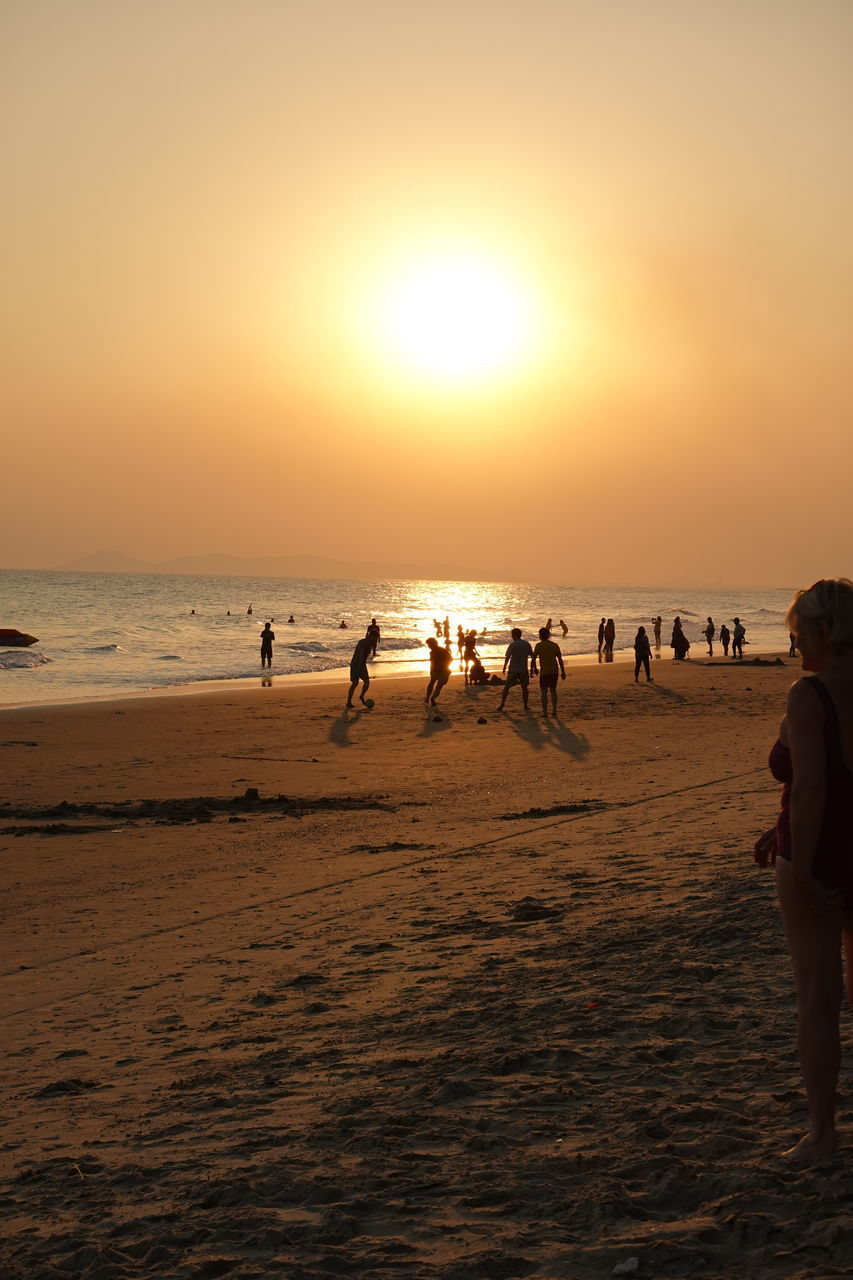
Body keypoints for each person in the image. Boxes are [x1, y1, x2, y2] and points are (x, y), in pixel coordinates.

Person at [754, 578, 853, 1160]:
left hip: (818, 856)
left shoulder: (810, 694)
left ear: (821, 629)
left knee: (819, 1000)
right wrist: (780, 820)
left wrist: (809, 869)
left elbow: (813, 790)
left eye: (797, 633)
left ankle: (821, 1134)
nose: (796, 646)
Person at [531, 626, 566, 717]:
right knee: (553, 691)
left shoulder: (539, 645)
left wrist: (533, 669)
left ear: (540, 636)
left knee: (543, 692)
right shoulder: (554, 645)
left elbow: (533, 659)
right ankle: (554, 711)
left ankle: (545, 712)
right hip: (554, 671)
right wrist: (563, 672)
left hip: (545, 671)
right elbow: (560, 660)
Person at [499, 627, 534, 711]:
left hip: (513, 669)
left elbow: (508, 657)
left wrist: (504, 666)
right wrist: (533, 668)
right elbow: (532, 656)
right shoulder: (526, 644)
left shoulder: (512, 645)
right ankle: (525, 705)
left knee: (507, 687)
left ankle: (502, 704)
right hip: (523, 669)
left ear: (514, 635)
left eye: (512, 635)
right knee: (524, 688)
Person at [346, 633, 373, 707]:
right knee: (366, 681)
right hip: (360, 664)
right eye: (376, 638)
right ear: (372, 637)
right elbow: (362, 653)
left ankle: (348, 702)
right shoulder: (368, 643)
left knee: (355, 683)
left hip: (353, 662)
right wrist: (360, 665)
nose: (376, 640)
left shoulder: (361, 641)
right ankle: (361, 695)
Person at [425, 636, 452, 705]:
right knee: (439, 687)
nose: (429, 647)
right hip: (444, 670)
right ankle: (432, 698)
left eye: (429, 645)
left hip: (435, 670)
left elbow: (432, 661)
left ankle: (428, 698)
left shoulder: (432, 652)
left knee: (431, 683)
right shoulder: (444, 650)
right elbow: (450, 659)